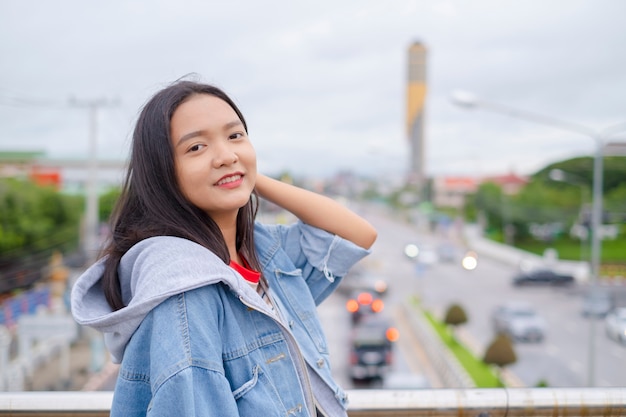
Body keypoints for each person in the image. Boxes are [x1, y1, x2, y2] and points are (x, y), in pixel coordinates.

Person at [70, 78, 377, 417]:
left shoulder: (260, 251)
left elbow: (356, 234)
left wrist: (243, 172)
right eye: (195, 148)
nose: (225, 154)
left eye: (235, 136)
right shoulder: (186, 294)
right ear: (162, 173)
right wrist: (233, 169)